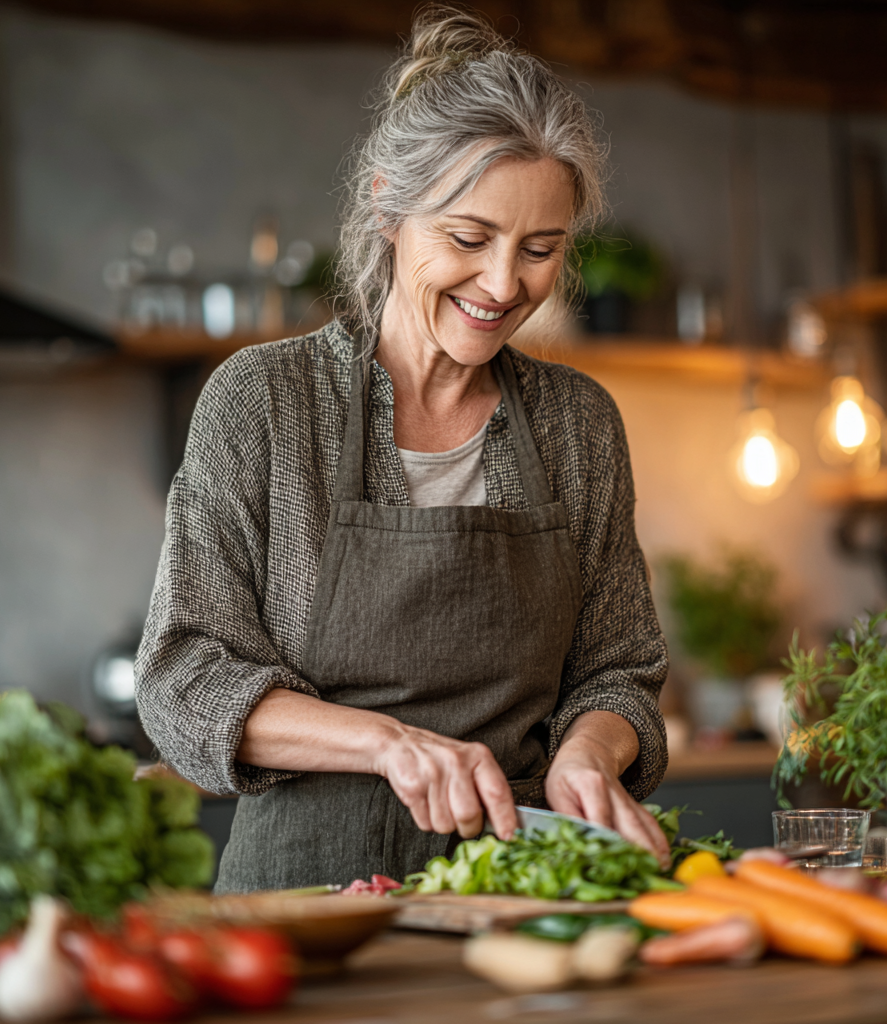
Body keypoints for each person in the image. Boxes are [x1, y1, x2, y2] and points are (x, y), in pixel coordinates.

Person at [136, 5, 671, 892]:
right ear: (387, 205)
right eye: (469, 239)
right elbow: (184, 679)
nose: (504, 285)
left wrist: (588, 754)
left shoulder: (578, 425)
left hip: (516, 895)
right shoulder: (265, 403)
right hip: (305, 909)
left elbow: (619, 669)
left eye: (540, 250)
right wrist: (386, 743)